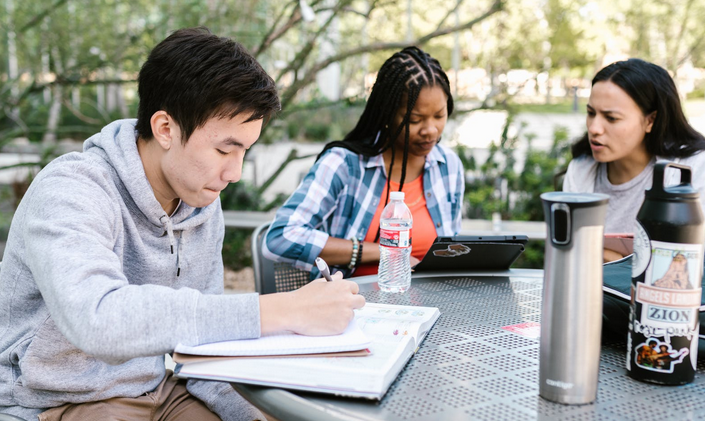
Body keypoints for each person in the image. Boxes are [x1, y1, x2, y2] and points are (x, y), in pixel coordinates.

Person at [0, 27, 365, 421]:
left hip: (161, 390)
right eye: (225, 149)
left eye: (245, 151)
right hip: (57, 402)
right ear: (165, 129)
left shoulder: (200, 200)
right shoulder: (72, 189)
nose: (235, 173)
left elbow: (205, 348)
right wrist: (281, 310)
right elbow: (99, 319)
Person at [263, 46, 465, 278]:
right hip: (353, 306)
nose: (431, 130)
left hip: (432, 305)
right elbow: (280, 237)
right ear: (387, 114)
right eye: (415, 119)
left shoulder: (448, 166)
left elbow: (450, 250)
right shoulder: (344, 165)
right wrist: (384, 251)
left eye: (439, 116)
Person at [563, 58, 705, 261]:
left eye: (611, 118)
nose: (594, 128)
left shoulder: (693, 170)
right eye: (591, 113)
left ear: (651, 121)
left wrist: (611, 260)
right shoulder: (581, 170)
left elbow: (688, 262)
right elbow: (571, 255)